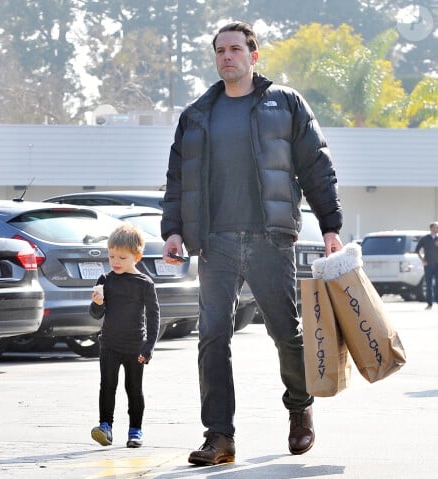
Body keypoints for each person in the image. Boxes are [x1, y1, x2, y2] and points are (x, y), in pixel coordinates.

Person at [161, 21, 343, 465]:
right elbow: (177, 179)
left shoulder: (285, 104)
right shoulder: (197, 114)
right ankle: (219, 437)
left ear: (253, 55)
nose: (227, 56)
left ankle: (299, 411)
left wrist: (331, 225)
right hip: (216, 242)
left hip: (270, 238)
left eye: (236, 49)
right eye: (220, 50)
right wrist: (173, 229)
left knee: (287, 334)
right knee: (212, 337)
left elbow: (315, 166)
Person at [89, 223, 160, 448]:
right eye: (111, 256)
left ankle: (135, 430)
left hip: (134, 347)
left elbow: (154, 316)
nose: (116, 262)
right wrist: (97, 302)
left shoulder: (144, 284)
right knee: (107, 386)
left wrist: (148, 347)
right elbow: (95, 314)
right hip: (109, 344)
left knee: (134, 389)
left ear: (137, 256)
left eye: (122, 257)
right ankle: (105, 427)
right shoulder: (106, 280)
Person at [415, 222, 438, 309]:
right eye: (436, 227)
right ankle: (429, 303)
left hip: (437, 264)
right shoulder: (425, 239)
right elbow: (417, 250)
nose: (437, 229)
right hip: (428, 264)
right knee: (429, 283)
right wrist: (422, 260)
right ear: (431, 228)